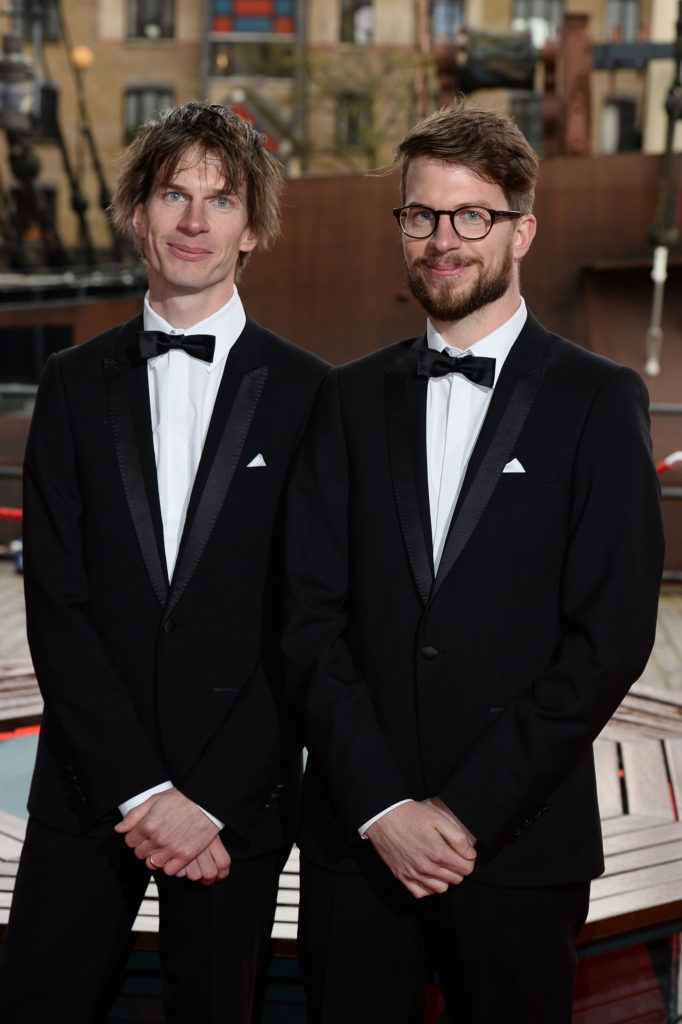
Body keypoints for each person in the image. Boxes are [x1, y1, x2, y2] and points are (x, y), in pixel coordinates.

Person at [283, 102, 664, 1024]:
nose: (443, 240)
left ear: (521, 229)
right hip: (356, 844)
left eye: (472, 216)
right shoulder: (346, 397)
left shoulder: (601, 399)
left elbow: (609, 636)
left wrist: (460, 815)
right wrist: (382, 807)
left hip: (518, 843)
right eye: (420, 215)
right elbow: (304, 621)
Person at [0, 101, 327, 1023]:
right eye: (173, 195)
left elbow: (308, 622)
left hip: (240, 805)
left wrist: (208, 802)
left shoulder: (313, 393)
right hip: (88, 790)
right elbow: (56, 603)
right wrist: (142, 793)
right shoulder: (69, 384)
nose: (194, 221)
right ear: (137, 214)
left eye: (220, 200)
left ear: (252, 227)